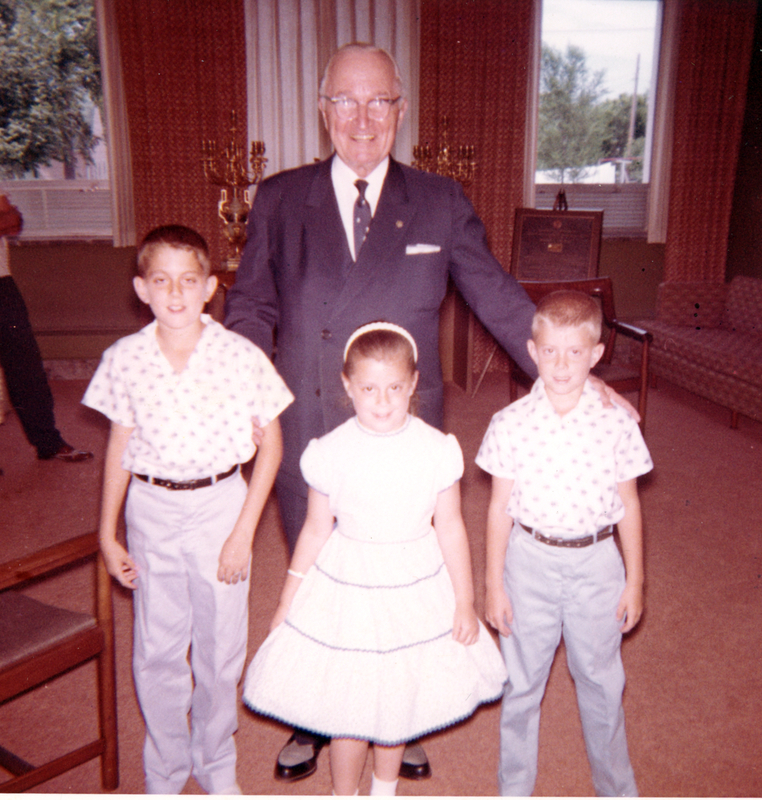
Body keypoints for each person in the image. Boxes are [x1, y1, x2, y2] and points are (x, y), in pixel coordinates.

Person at [223, 41, 542, 782]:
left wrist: (567, 374)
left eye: (378, 101)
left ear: (400, 111)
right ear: (323, 110)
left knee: (409, 568)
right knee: (323, 564)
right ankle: (315, 714)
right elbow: (250, 304)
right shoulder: (277, 197)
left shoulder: (437, 199)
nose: (361, 118)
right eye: (345, 101)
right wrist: (233, 378)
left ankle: (403, 707)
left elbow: (494, 293)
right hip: (309, 417)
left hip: (405, 427)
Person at [243, 322, 508, 796]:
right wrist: (288, 598)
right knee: (349, 703)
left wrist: (464, 601)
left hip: (414, 583)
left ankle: (384, 790)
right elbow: (316, 528)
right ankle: (344, 793)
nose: (382, 401)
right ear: (347, 385)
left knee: (395, 698)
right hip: (349, 583)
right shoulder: (331, 451)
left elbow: (449, 527)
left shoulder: (435, 449)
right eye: (368, 389)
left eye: (394, 388)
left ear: (413, 384)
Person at [82, 225, 293, 794]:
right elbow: (119, 449)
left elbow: (271, 444)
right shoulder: (124, 359)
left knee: (222, 650)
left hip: (221, 507)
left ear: (210, 289)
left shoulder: (238, 356)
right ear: (142, 289)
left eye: (188, 280)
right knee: (157, 648)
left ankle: (215, 761)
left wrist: (243, 533)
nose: (175, 293)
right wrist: (108, 533)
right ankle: (167, 768)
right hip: (151, 510)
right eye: (161, 280)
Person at [476, 290, 653, 797]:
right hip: (527, 564)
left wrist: (635, 581)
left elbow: (630, 507)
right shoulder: (509, 424)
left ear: (596, 355)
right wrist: (494, 585)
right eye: (550, 351)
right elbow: (497, 510)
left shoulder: (617, 423)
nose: (561, 364)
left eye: (576, 352)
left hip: (597, 565)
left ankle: (617, 788)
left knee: (601, 682)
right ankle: (514, 788)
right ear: (532, 350)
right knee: (521, 684)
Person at [0, 193, 93, 461]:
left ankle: (48, 441)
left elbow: (14, 223)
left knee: (26, 367)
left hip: (2, 286)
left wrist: (7, 215)